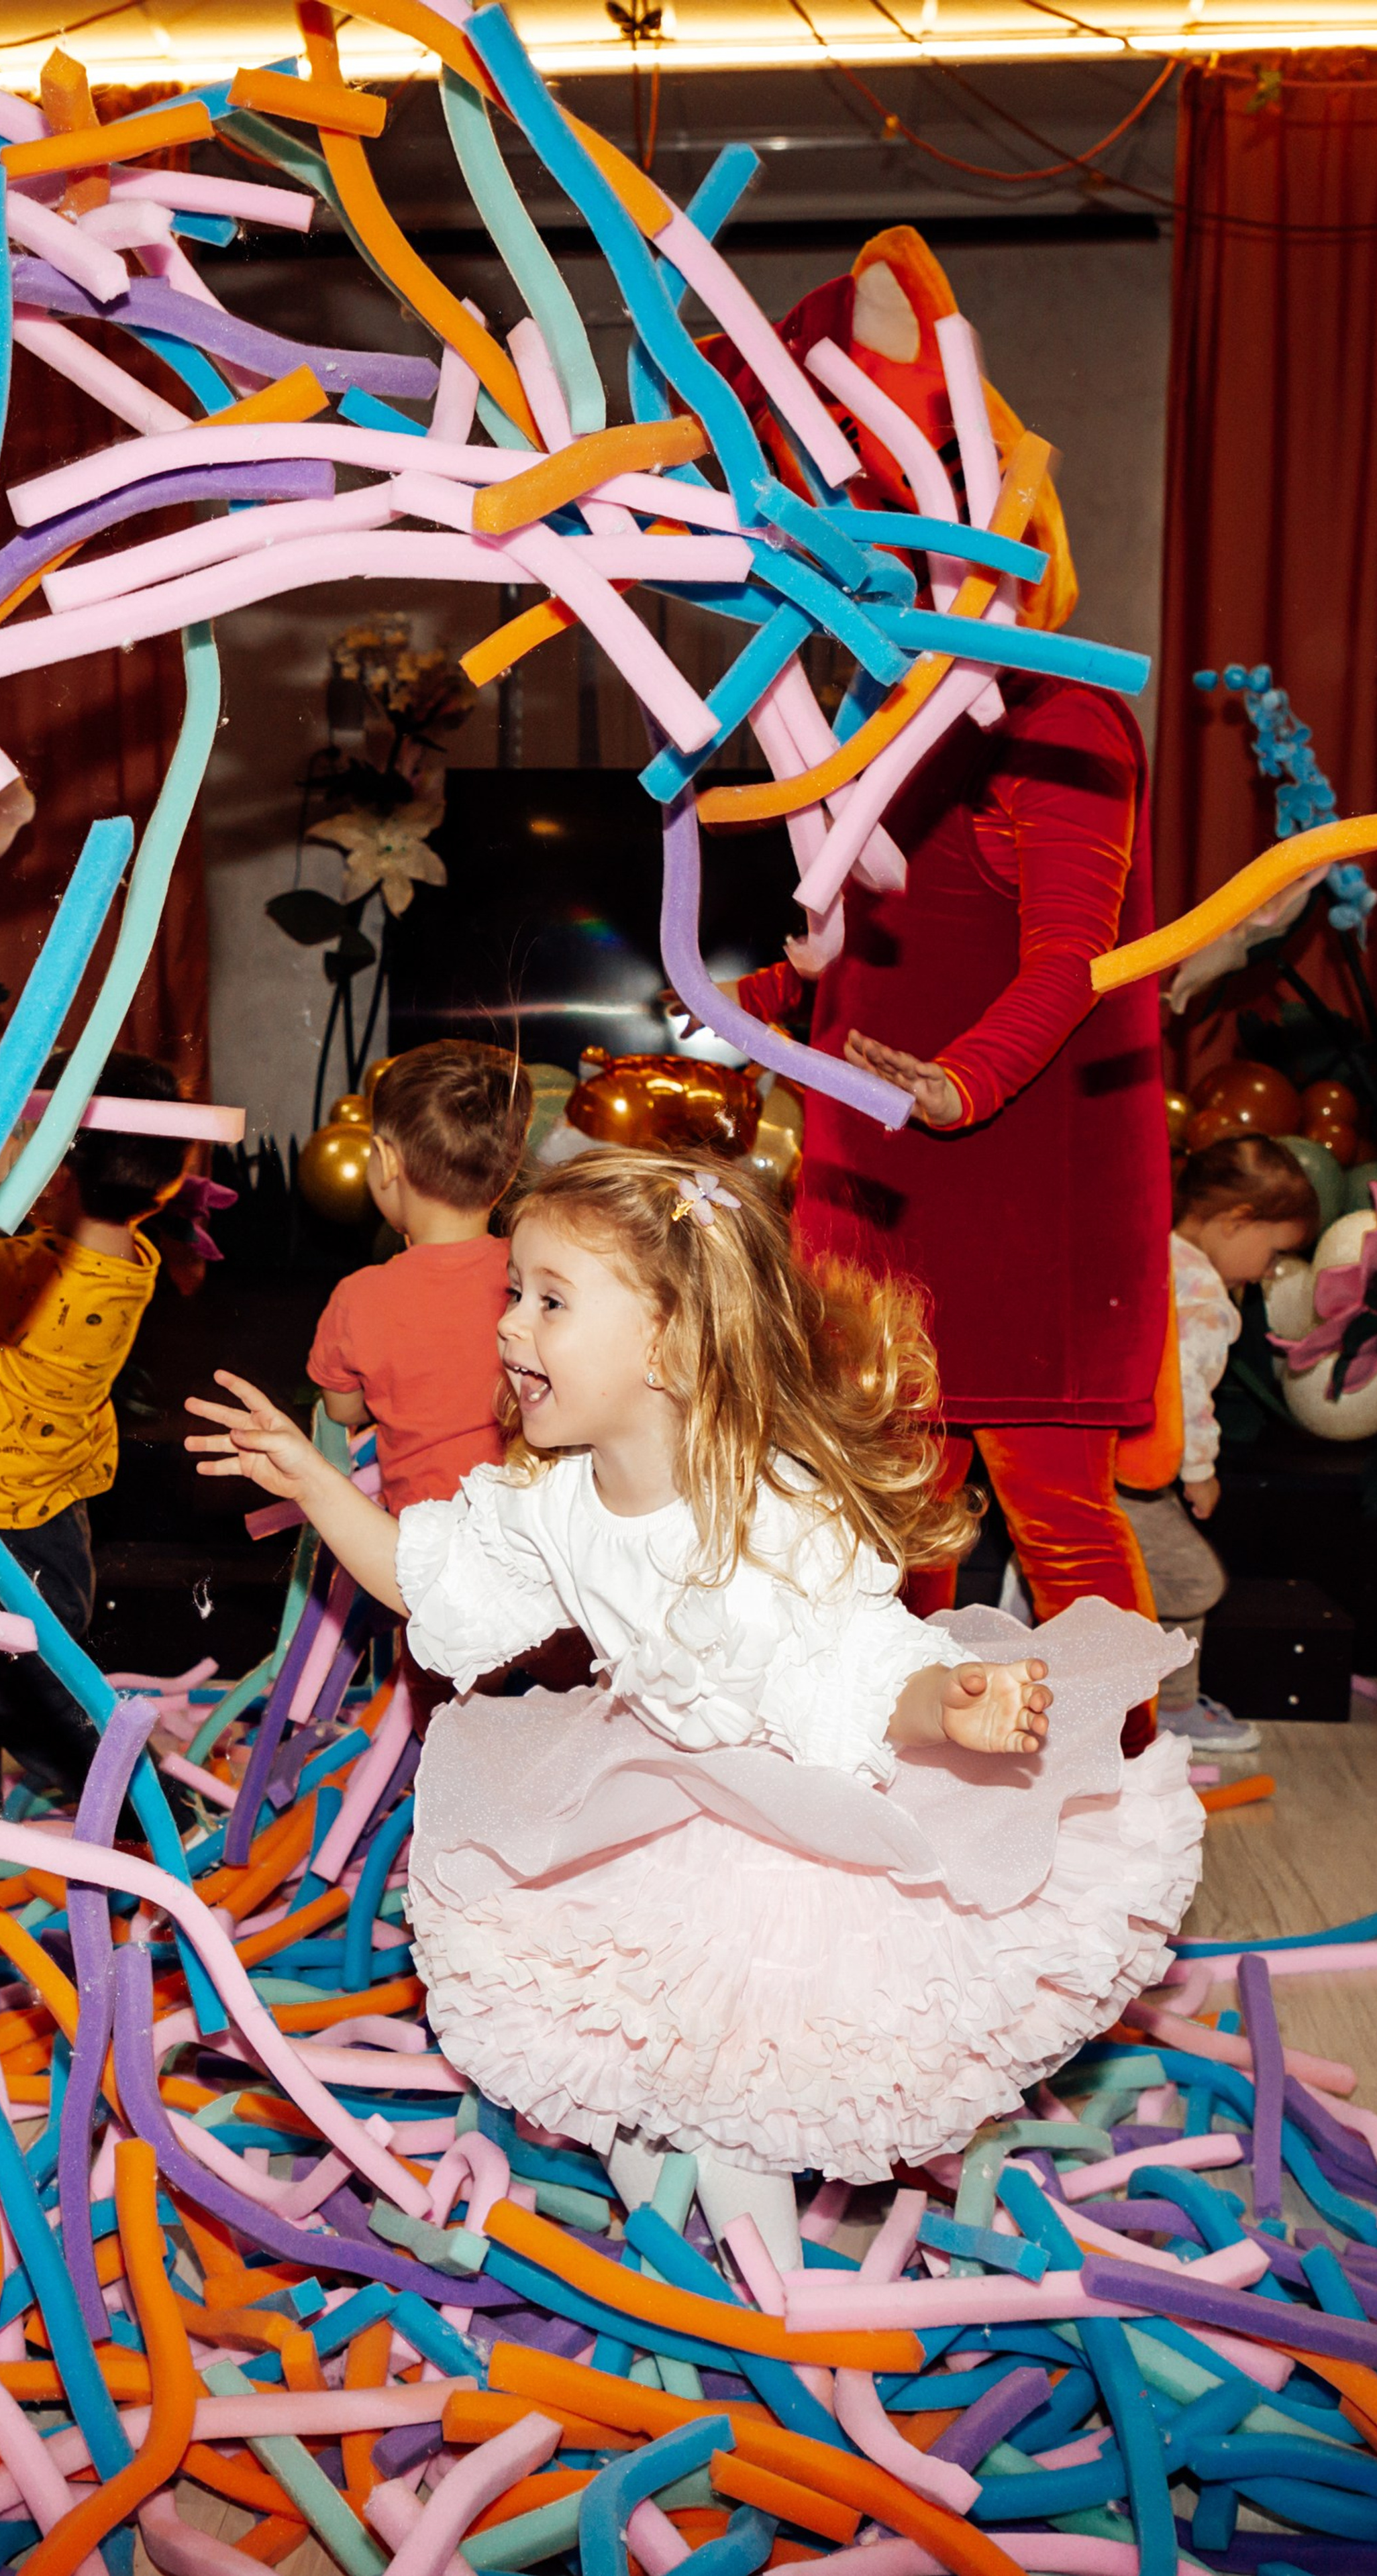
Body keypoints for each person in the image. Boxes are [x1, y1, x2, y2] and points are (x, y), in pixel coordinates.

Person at [186, 1150, 1200, 2263]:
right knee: (618, 2070)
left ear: (668, 1344)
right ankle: (685, 2264)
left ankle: (768, 2309)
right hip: (649, 1800)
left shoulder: (770, 1507)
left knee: (739, 2107)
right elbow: (436, 1584)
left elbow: (852, 1668)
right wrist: (320, 1482)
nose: (513, 1326)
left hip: (793, 1832)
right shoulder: (549, 1501)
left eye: (552, 1301)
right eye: (514, 1293)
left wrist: (939, 1709)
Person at [711, 228, 1172, 1752]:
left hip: (1022, 1201)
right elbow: (873, 937)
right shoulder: (879, 716)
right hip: (879, 1199)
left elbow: (1064, 961)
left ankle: (1116, 1814)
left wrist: (957, 1083)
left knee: (1053, 1520)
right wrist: (768, 998)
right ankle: (903, 1792)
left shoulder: (1060, 720)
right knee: (891, 1530)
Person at [0, 1053, 187, 1821]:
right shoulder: (116, 1262)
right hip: (26, 1508)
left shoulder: (34, 1275)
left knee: (34, 1688)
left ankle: (147, 1815)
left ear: (57, 1170)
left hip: (9, 1523)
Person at [1118, 1135, 1318, 1755]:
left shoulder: (1148, 1249)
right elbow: (1181, 1387)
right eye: (1275, 1253)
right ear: (1238, 1221)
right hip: (1139, 1468)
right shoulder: (1202, 1291)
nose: (1270, 1273)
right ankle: (1173, 1706)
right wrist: (1200, 1467)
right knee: (1194, 1582)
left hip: (1096, 1453)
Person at [309, 1042, 532, 1513]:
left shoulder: (358, 1296)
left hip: (421, 1543)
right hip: (529, 1529)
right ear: (510, 1170)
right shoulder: (537, 1278)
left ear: (388, 1161)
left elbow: (343, 1411)